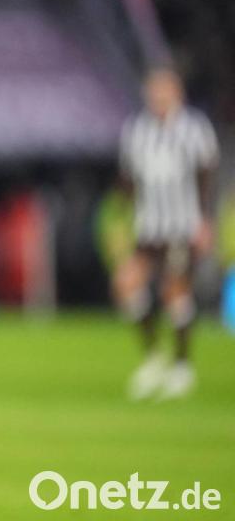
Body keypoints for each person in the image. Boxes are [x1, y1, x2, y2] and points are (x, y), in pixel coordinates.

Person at [115, 66, 219, 400]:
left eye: (164, 89)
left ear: (177, 92)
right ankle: (153, 357)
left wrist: (205, 221)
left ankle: (182, 366)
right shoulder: (137, 130)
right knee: (127, 283)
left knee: (174, 291)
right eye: (153, 90)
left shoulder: (194, 129)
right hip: (148, 226)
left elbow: (207, 175)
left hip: (182, 226)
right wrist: (123, 219)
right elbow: (128, 181)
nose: (158, 96)